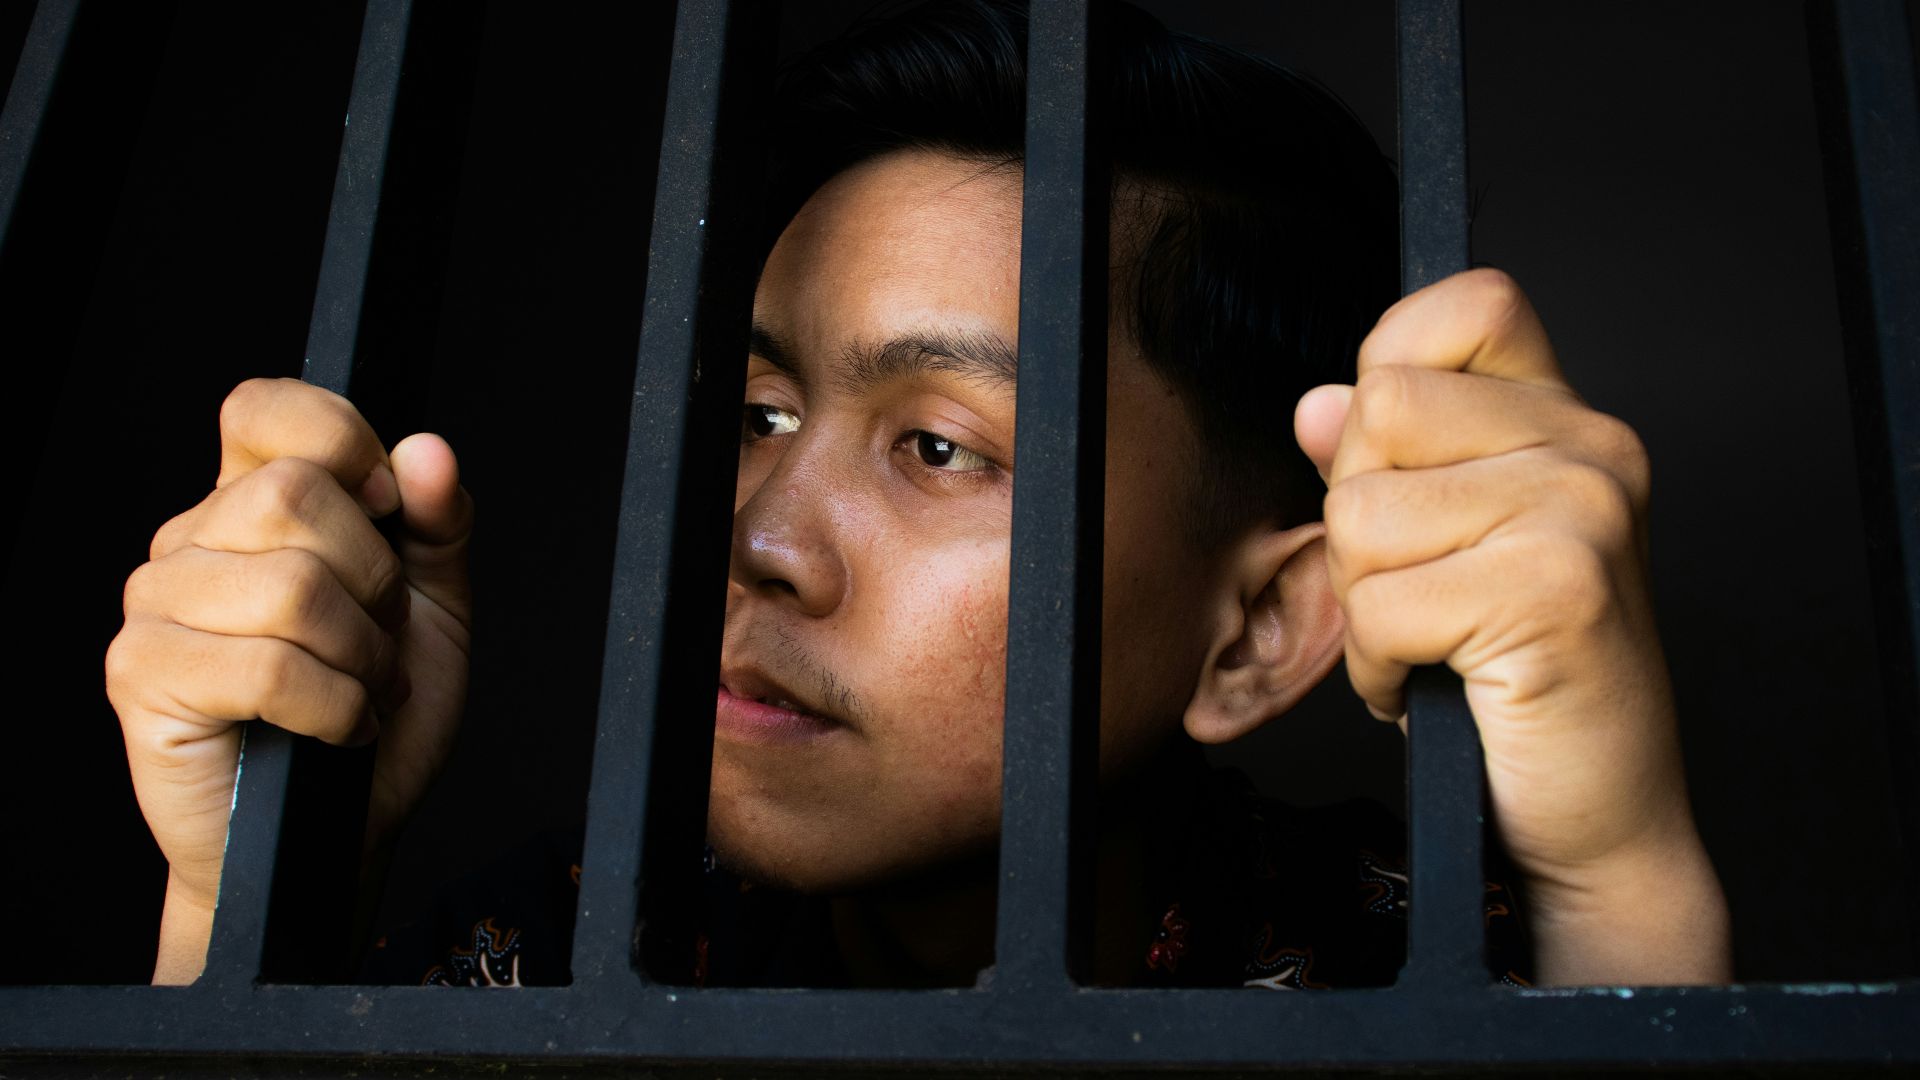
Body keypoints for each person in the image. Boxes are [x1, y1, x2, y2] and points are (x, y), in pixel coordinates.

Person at [106, 0, 1730, 990]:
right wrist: (245, 898)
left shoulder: (1410, 960)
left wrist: (1621, 878)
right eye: (757, 410)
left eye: (938, 446)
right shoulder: (556, 950)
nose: (759, 539)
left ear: (1262, 629)